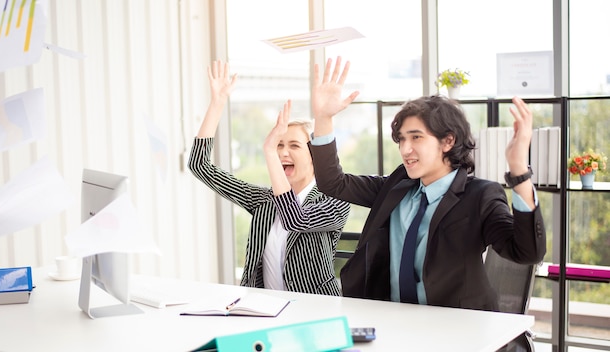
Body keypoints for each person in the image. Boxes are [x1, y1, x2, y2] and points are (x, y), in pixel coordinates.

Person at [307, 56, 546, 311]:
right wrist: (323, 119)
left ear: (448, 141)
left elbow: (527, 253)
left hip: (457, 328)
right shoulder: (397, 186)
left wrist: (519, 170)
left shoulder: (481, 196)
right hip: (394, 320)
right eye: (401, 139)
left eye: (416, 138)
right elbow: (333, 183)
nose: (405, 149)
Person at [188, 60, 350, 296]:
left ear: (315, 155)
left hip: (315, 311)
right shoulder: (264, 200)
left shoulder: (335, 199)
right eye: (278, 145)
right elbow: (199, 165)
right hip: (262, 309)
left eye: (294, 145)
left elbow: (297, 219)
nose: (283, 152)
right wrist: (217, 104)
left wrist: (269, 151)